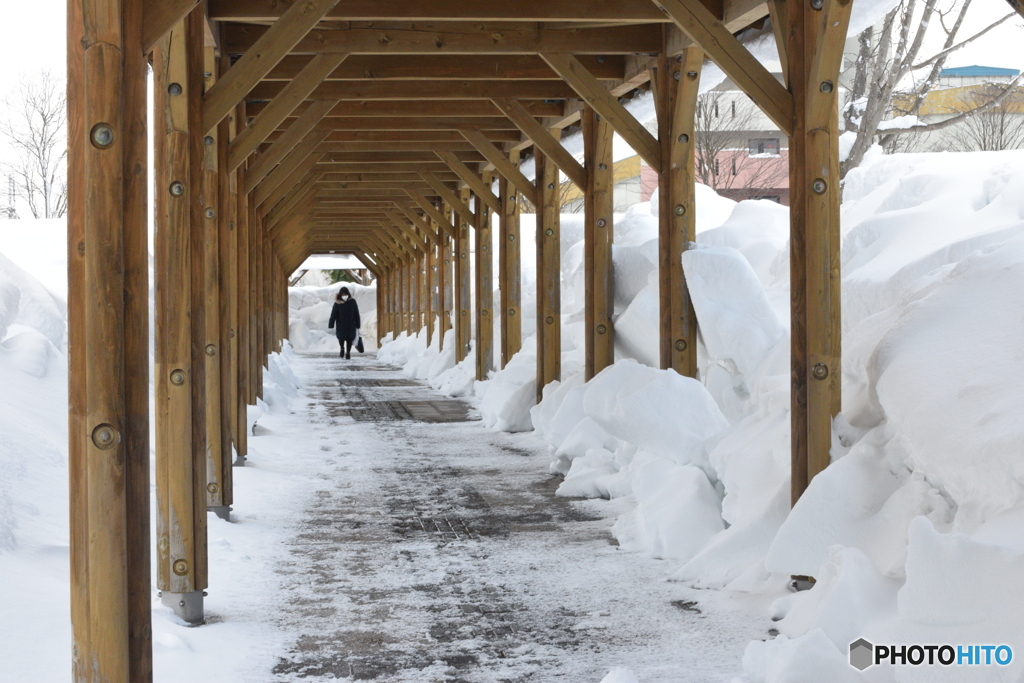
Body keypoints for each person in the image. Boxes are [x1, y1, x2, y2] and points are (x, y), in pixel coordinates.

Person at [328, 286, 360, 359]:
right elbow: (334, 314)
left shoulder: (352, 302)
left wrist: (358, 324)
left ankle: (348, 352)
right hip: (341, 324)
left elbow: (356, 313)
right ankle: (342, 348)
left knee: (350, 339)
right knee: (341, 338)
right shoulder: (337, 303)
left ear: (348, 294)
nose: (344, 296)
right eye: (343, 295)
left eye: (345, 294)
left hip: (351, 324)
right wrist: (331, 323)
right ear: (340, 295)